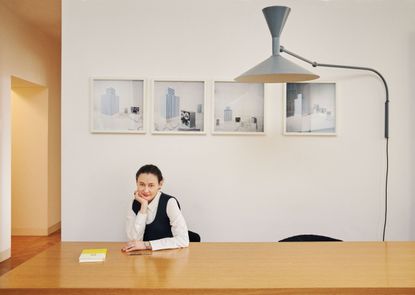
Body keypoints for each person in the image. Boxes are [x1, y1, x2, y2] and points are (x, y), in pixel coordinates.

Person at [122, 164, 189, 252]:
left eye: (151, 185)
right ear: (136, 183)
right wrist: (143, 207)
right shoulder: (134, 203)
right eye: (142, 184)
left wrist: (147, 245)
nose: (146, 190)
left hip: (168, 258)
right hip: (143, 259)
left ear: (160, 184)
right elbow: (134, 241)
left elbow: (183, 240)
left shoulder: (169, 202)